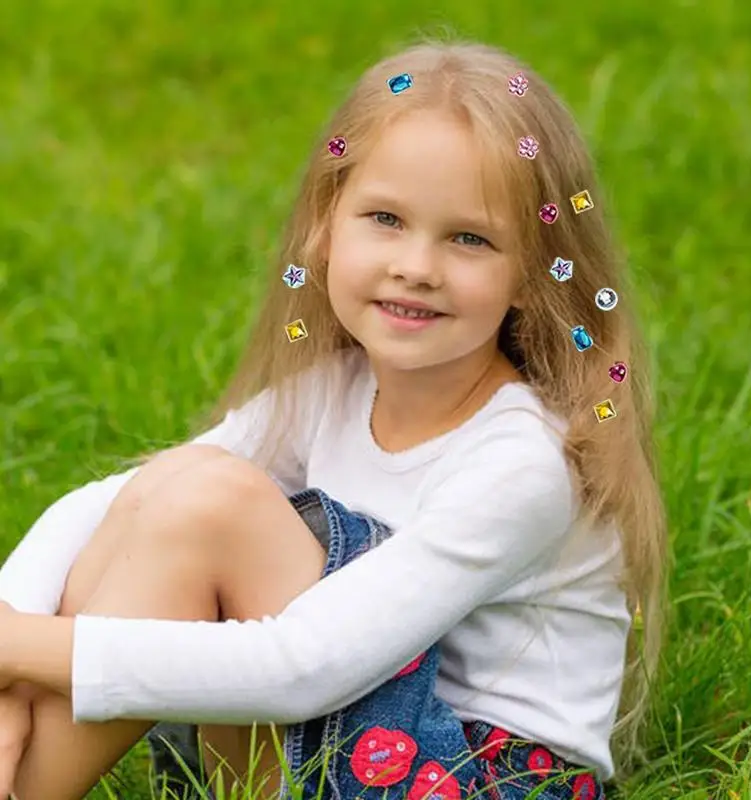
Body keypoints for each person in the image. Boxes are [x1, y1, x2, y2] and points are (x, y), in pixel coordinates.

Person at [0, 35, 667, 800]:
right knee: (183, 483)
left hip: (469, 778)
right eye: (385, 218)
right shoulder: (329, 391)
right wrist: (10, 655)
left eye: (469, 238)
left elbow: (300, 669)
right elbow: (118, 504)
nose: (416, 265)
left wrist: (23, 644)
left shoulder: (522, 464)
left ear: (533, 272)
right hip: (351, 744)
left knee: (214, 503)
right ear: (325, 227)